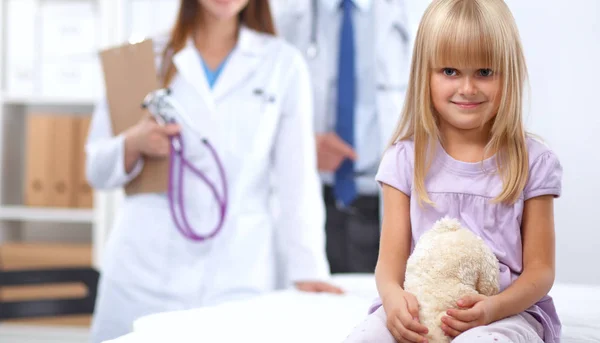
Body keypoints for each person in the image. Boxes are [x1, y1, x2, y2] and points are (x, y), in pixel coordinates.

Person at [86, 1, 343, 342]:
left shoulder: (282, 64)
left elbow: (297, 180)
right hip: (144, 274)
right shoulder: (143, 57)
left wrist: (309, 269)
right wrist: (133, 143)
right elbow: (96, 169)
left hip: (239, 274)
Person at [343, 0, 563, 342]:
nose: (467, 88)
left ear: (509, 72)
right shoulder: (404, 159)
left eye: (485, 72)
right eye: (450, 71)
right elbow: (390, 264)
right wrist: (392, 298)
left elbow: (540, 271)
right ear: (424, 75)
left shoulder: (534, 161)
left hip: (506, 313)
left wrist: (493, 308)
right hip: (419, 308)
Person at [269, 0, 416, 274]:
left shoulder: (414, 15)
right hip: (316, 202)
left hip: (387, 203)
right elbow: (255, 121)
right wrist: (305, 145)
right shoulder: (285, 19)